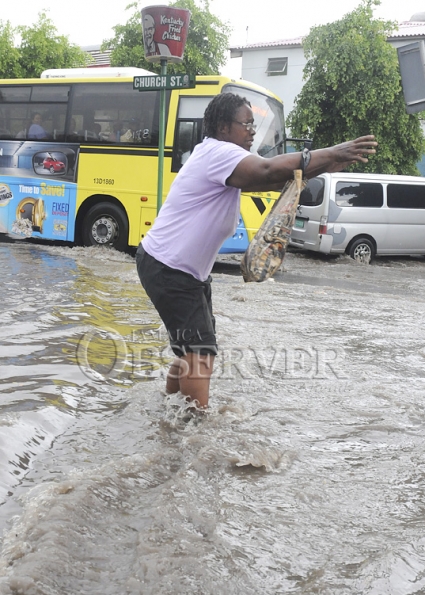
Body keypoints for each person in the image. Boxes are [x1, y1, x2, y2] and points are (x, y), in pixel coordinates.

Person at [135, 92, 377, 410]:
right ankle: (192, 431)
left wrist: (330, 162)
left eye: (254, 125)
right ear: (223, 127)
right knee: (200, 352)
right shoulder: (219, 152)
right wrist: (329, 150)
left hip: (176, 269)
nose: (252, 131)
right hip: (171, 268)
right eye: (246, 124)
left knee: (191, 349)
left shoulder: (218, 157)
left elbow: (278, 178)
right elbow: (266, 169)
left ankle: (169, 413)